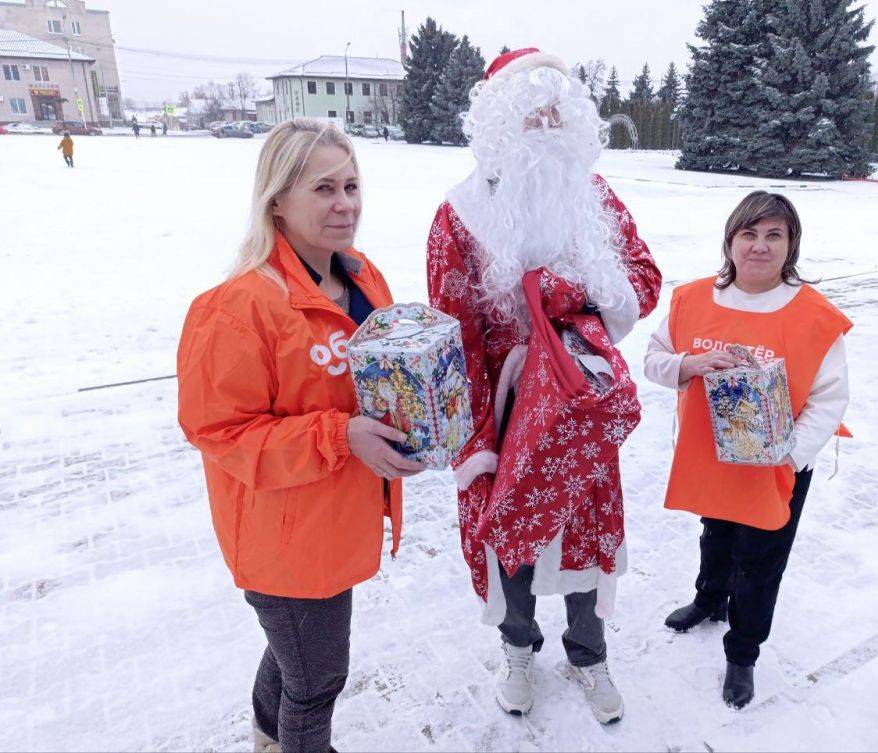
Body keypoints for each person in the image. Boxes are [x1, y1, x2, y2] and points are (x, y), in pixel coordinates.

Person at [426, 48, 661, 724]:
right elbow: (453, 334)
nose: (548, 118)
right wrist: (474, 441)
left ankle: (588, 652)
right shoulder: (461, 213)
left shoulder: (594, 196)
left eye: (559, 105)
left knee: (581, 528)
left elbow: (643, 278)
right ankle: (519, 647)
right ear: (502, 119)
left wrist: (570, 291)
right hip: (501, 407)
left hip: (579, 395)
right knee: (515, 537)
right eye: (533, 105)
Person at [177, 118, 423, 753]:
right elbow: (221, 432)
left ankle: (266, 733)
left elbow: (375, 378)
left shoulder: (362, 278)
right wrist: (342, 437)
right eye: (322, 189)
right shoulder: (238, 308)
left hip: (340, 516)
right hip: (285, 537)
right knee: (317, 680)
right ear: (277, 201)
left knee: (294, 655)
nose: (344, 204)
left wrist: (417, 417)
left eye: (351, 185)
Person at [644, 191, 851, 710]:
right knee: (715, 535)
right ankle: (709, 599)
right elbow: (654, 359)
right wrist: (689, 365)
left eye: (773, 235)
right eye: (749, 234)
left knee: (760, 561)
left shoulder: (814, 316)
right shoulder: (691, 300)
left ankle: (743, 654)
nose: (760, 246)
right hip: (710, 456)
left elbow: (829, 398)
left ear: (790, 246)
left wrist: (790, 453)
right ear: (731, 243)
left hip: (775, 465)